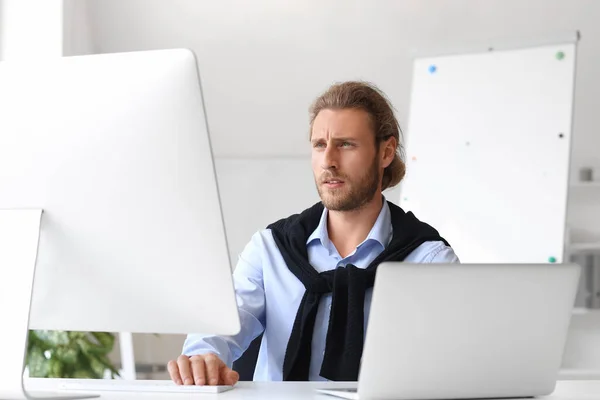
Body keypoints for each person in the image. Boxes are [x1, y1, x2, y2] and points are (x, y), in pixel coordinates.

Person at [167, 81, 459, 386]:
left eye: (346, 144)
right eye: (320, 144)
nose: (329, 162)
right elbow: (223, 325)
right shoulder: (272, 249)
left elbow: (449, 369)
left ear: (385, 152)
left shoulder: (428, 262)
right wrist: (203, 357)